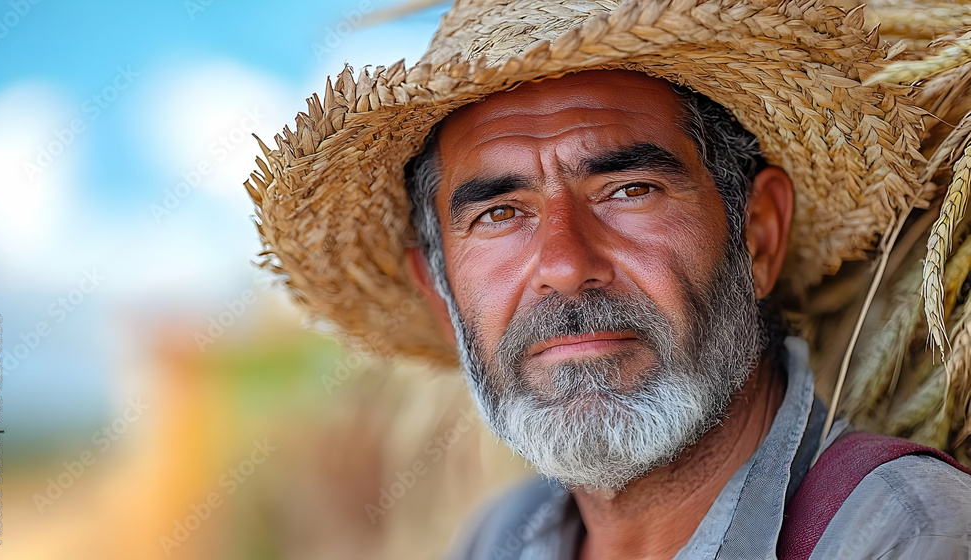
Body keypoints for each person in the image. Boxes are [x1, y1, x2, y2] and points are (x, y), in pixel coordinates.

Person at [245, 0, 971, 557]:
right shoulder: (502, 538)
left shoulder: (901, 533)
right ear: (441, 295)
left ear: (758, 234)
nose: (565, 264)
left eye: (629, 191)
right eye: (500, 213)